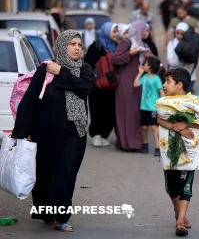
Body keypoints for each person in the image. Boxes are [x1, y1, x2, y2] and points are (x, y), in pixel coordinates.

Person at [12, 30, 95, 232]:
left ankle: (62, 217)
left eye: (79, 44)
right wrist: (20, 134)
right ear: (62, 46)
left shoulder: (84, 69)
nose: (77, 48)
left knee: (67, 174)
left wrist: (63, 72)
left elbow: (84, 87)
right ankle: (47, 212)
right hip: (47, 132)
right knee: (46, 174)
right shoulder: (46, 70)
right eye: (72, 44)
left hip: (76, 132)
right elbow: (30, 101)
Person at [156, 68, 199, 237]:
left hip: (189, 151)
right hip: (169, 150)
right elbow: (159, 119)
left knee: (185, 186)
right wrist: (175, 127)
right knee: (171, 188)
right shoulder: (163, 103)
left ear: (179, 84)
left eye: (168, 82)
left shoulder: (193, 103)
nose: (164, 85)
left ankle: (180, 221)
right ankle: (179, 213)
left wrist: (186, 125)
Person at [112, 20, 150, 151]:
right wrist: (130, 54)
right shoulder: (127, 42)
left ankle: (134, 142)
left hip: (137, 80)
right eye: (145, 30)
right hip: (126, 81)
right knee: (127, 111)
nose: (147, 33)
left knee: (134, 112)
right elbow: (115, 58)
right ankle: (127, 143)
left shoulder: (141, 44)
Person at [84, 22, 118, 147]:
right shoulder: (97, 45)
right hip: (97, 85)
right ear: (107, 32)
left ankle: (104, 135)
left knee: (110, 111)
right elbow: (87, 63)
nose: (116, 34)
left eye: (117, 31)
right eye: (114, 31)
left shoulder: (117, 46)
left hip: (112, 85)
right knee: (97, 110)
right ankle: (95, 135)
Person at [133, 56, 165, 156]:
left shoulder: (156, 79)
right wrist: (140, 73)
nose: (144, 65)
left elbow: (161, 92)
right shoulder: (144, 77)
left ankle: (157, 148)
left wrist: (162, 105)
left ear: (150, 66)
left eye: (145, 64)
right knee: (144, 128)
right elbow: (136, 84)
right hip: (144, 107)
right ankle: (145, 145)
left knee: (154, 128)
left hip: (153, 108)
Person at [167, 22, 197, 93]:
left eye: (182, 33)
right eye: (178, 33)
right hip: (175, 77)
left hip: (190, 76)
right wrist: (179, 61)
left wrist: (198, 37)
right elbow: (170, 60)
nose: (179, 36)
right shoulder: (171, 44)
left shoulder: (192, 43)